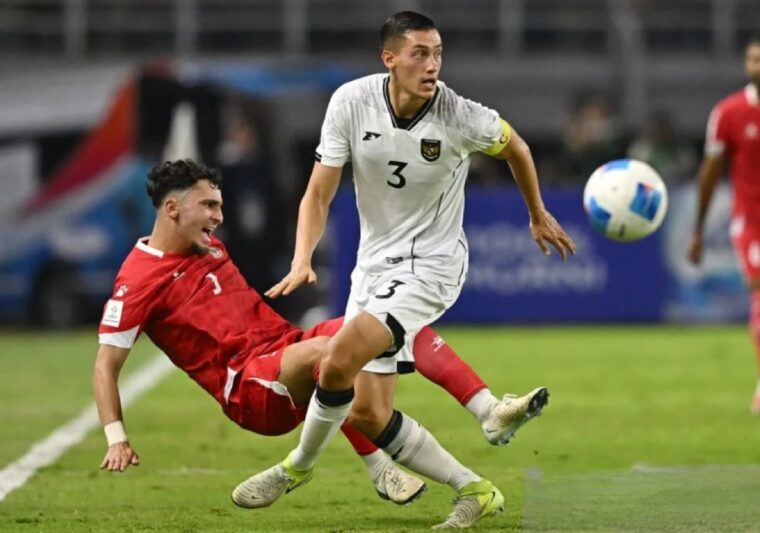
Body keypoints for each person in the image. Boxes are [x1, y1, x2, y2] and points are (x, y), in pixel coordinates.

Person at [93, 160, 550, 523]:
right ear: (172, 209)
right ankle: (340, 466)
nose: (219, 216)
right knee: (333, 355)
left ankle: (484, 432)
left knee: (388, 323)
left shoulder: (209, 246)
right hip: (248, 386)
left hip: (286, 346)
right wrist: (117, 438)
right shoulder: (137, 281)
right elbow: (105, 366)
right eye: (209, 206)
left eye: (220, 205)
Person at [258, 11, 575, 528]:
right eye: (420, 54)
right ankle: (475, 487)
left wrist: (536, 213)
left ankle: (297, 466)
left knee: (337, 360)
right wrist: (302, 258)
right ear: (390, 58)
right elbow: (318, 193)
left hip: (432, 265)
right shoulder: (350, 102)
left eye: (438, 54)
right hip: (372, 268)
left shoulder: (460, 114)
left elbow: (516, 147)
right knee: (367, 413)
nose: (433, 65)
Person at [687, 35, 760, 415]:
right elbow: (710, 172)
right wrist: (698, 230)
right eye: (755, 59)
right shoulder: (729, 112)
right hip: (751, 220)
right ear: (747, 65)